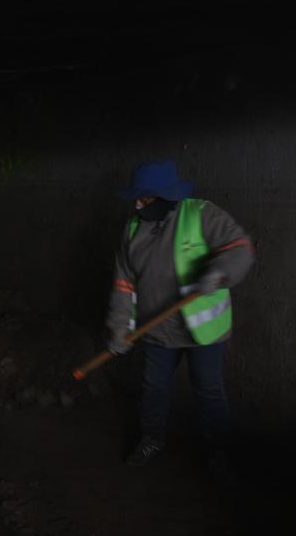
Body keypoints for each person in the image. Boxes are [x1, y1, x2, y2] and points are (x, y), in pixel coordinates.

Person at [104, 160, 254, 476]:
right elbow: (123, 283)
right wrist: (119, 327)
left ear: (164, 197)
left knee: (208, 389)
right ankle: (151, 440)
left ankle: (218, 450)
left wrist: (220, 272)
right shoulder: (132, 229)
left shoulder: (202, 214)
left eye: (144, 199)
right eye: (137, 198)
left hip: (203, 330)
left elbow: (240, 247)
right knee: (153, 389)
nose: (136, 204)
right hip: (158, 329)